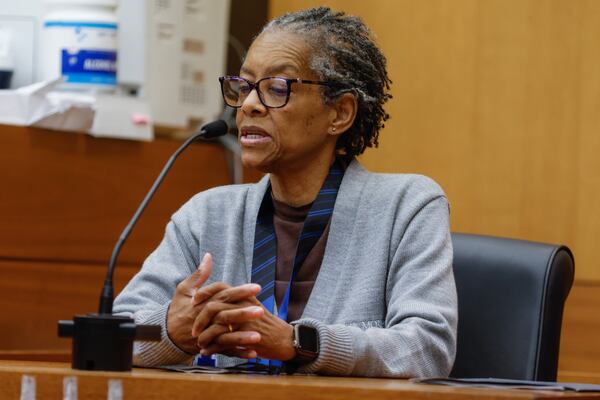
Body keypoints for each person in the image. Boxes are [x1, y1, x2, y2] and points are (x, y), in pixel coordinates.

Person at [114, 6, 457, 378]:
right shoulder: (207, 214)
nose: (248, 105)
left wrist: (299, 343)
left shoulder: (407, 207)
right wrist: (173, 331)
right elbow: (114, 332)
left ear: (339, 113)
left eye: (277, 88)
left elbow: (427, 347)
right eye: (243, 87)